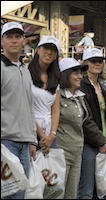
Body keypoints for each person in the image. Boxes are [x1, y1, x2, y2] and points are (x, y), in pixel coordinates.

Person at [1, 21, 37, 199]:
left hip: (25, 143)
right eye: (9, 37)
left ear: (24, 40)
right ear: (2, 41)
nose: (14, 41)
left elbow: (29, 106)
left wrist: (32, 139)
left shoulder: (25, 70)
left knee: (20, 195)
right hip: (5, 142)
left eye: (18, 37)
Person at [77, 47, 106, 199]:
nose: (97, 64)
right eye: (93, 61)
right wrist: (101, 143)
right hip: (89, 145)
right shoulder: (81, 86)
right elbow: (85, 119)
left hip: (105, 145)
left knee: (102, 190)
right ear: (85, 63)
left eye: (100, 61)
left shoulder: (103, 89)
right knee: (86, 191)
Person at [56, 58, 89, 198]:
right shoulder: (57, 95)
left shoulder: (79, 96)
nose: (80, 76)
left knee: (71, 194)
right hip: (61, 150)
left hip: (77, 151)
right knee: (57, 193)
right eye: (75, 72)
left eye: (80, 72)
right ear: (65, 74)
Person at [28, 35, 60, 154]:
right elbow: (27, 108)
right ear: (38, 50)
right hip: (31, 132)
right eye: (45, 48)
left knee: (50, 172)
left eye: (53, 50)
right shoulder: (27, 74)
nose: (49, 52)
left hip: (50, 136)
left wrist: (52, 135)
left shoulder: (55, 79)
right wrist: (41, 135)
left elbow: (55, 110)